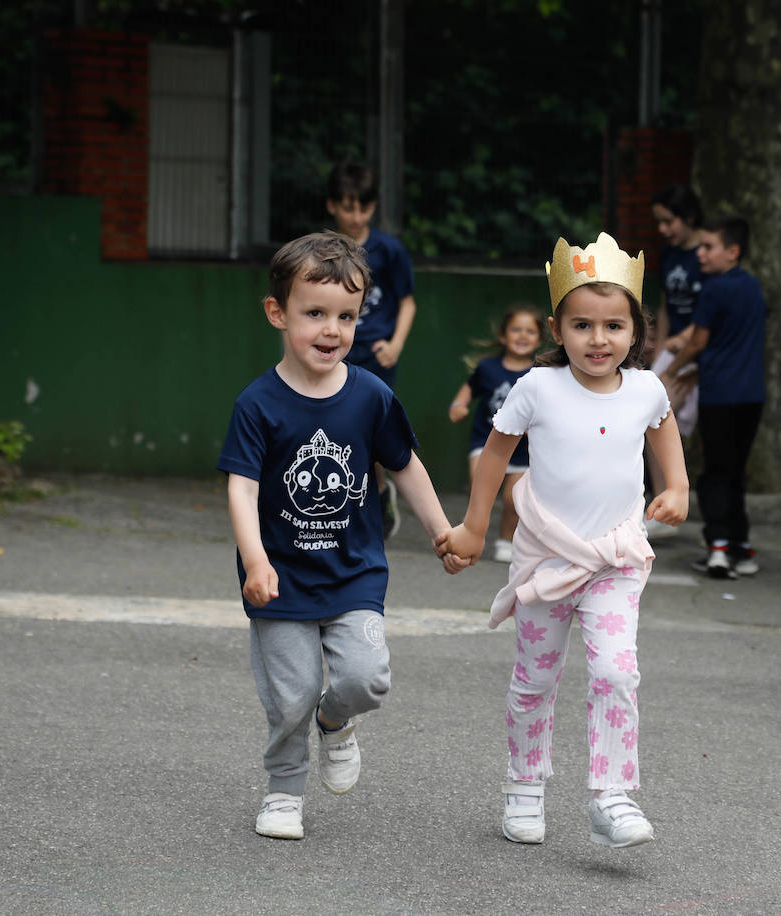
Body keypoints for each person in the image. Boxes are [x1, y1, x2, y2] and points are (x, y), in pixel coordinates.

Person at [439, 232, 690, 849]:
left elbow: (663, 433)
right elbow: (495, 455)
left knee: (616, 672)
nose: (597, 340)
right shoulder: (536, 388)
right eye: (582, 325)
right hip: (547, 560)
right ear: (558, 328)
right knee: (534, 680)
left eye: (612, 326)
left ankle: (613, 794)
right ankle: (524, 785)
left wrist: (678, 487)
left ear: (636, 331)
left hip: (614, 558)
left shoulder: (647, 390)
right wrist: (474, 527)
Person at [218, 231, 460, 841]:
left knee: (365, 678)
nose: (332, 329)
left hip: (354, 572)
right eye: (315, 314)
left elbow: (405, 465)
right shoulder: (257, 404)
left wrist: (442, 532)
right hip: (281, 576)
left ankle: (336, 721)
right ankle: (283, 789)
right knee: (289, 695)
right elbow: (242, 490)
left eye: (346, 316)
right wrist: (255, 561)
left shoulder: (371, 396)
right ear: (278, 313)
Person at [657, 215, 766, 579]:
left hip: (719, 394)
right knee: (735, 471)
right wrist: (692, 370)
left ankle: (717, 546)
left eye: (709, 247)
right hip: (752, 394)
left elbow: (699, 342)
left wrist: (669, 373)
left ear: (732, 251)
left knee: (714, 472)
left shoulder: (714, 288)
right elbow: (731, 345)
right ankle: (741, 546)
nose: (701, 254)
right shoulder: (752, 286)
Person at [325, 158, 419, 539]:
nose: (355, 214)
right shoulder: (322, 250)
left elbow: (408, 301)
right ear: (332, 205)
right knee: (337, 431)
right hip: (334, 353)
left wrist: (395, 345)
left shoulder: (389, 250)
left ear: (373, 207)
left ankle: (379, 494)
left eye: (363, 206)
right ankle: (347, 504)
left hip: (377, 357)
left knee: (373, 434)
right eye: (347, 206)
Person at [446, 304, 543, 563]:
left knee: (513, 500)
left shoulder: (540, 374)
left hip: (523, 449)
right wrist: (459, 405)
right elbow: (469, 389)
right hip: (487, 441)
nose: (523, 336)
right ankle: (472, 531)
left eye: (530, 331)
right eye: (516, 330)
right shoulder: (488, 368)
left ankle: (506, 539)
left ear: (540, 338)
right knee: (480, 485)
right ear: (503, 336)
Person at [644, 184, 703, 539]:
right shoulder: (669, 254)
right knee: (654, 419)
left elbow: (712, 311)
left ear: (689, 217)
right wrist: (664, 345)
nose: (663, 229)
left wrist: (685, 345)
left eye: (668, 221)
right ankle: (661, 499)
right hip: (674, 348)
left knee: (670, 422)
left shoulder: (706, 255)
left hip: (697, 351)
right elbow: (667, 303)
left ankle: (673, 500)